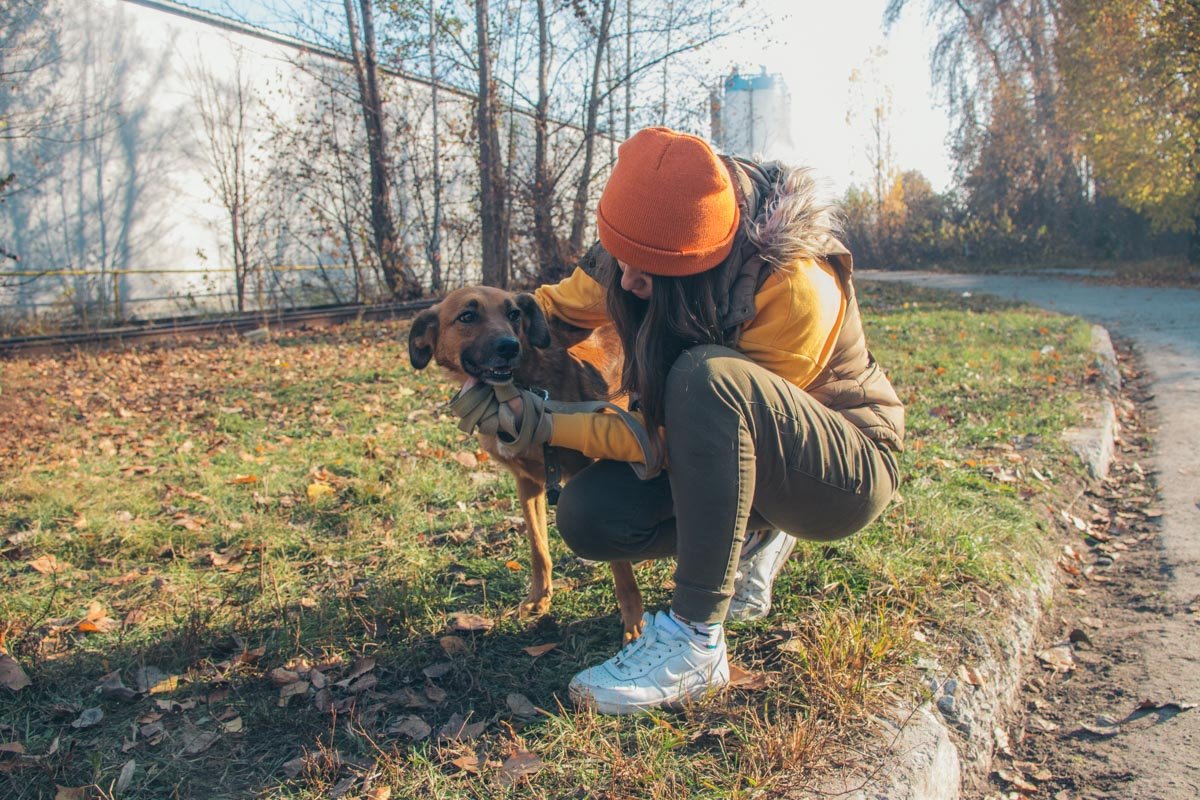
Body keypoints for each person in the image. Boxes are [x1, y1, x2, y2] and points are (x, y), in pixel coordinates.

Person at [452, 127, 904, 715]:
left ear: (703, 255)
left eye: (652, 270)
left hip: (836, 470)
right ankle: (752, 531)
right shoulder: (638, 240)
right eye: (622, 262)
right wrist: (492, 362)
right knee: (590, 517)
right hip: (722, 450)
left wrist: (544, 423)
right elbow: (553, 311)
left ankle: (695, 642)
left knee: (704, 375)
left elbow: (662, 439)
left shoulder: (793, 286)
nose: (630, 282)